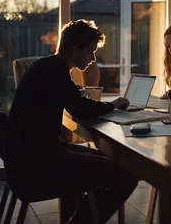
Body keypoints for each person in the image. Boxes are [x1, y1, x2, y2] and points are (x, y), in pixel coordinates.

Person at [9, 19, 138, 224]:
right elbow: (82, 109)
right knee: (127, 174)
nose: (94, 58)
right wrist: (113, 105)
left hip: (28, 156)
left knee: (116, 165)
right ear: (76, 49)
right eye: (91, 51)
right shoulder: (55, 71)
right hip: (39, 162)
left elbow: (74, 102)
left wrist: (85, 100)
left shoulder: (46, 65)